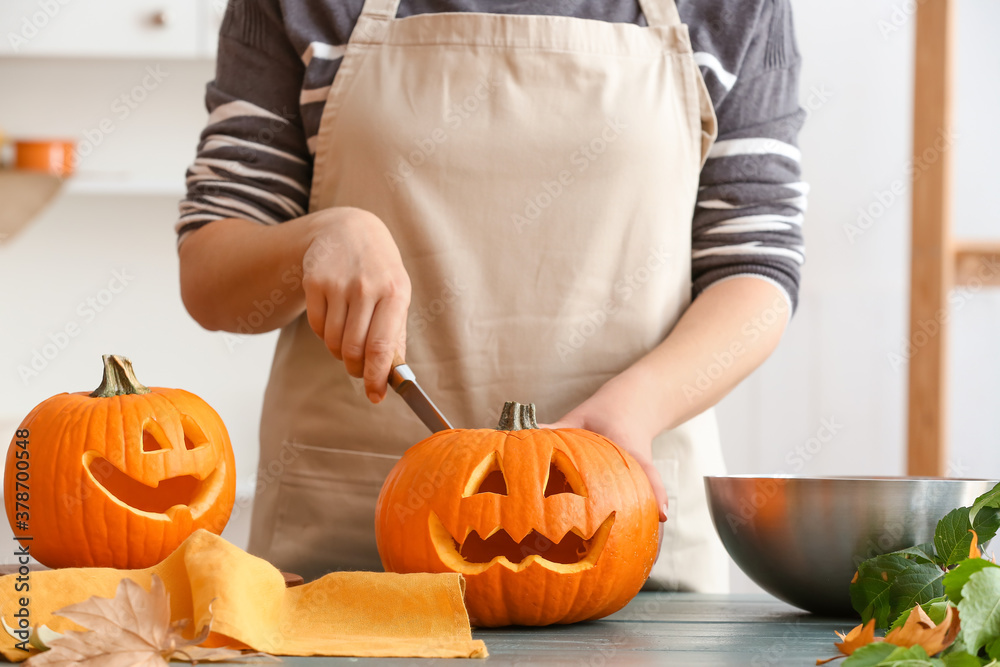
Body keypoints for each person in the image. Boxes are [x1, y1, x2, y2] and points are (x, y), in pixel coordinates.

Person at [176, 0, 806, 591]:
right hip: (348, 569)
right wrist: (318, 238)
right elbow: (209, 278)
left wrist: (633, 410)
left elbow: (754, 269)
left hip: (624, 542)